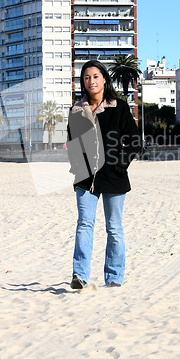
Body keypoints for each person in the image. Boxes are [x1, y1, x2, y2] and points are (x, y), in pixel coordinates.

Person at [67, 60, 141, 289]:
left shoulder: (118, 107)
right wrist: (78, 168)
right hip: (85, 179)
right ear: (83, 82)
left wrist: (120, 164)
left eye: (96, 76)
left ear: (104, 79)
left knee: (114, 228)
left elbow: (135, 141)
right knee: (84, 225)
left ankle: (114, 277)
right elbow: (72, 144)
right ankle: (80, 275)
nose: (91, 81)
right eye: (87, 77)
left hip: (115, 176)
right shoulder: (76, 110)